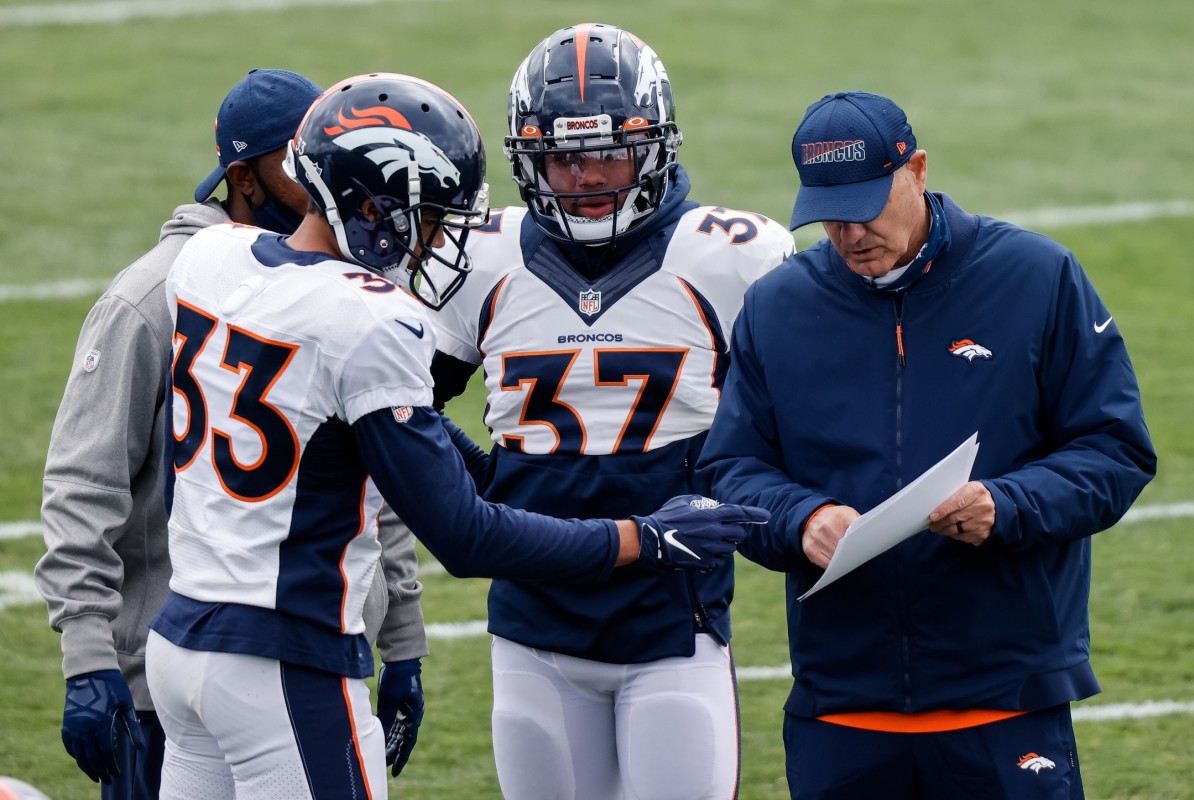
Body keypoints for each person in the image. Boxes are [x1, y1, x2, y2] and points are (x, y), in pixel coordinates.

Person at [143, 71, 767, 800]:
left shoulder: (210, 258)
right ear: (372, 207)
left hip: (181, 637)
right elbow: (465, 539)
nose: (438, 237)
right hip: (285, 657)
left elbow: (179, 474)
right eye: (431, 215)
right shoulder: (368, 316)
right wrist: (643, 538)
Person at [698, 90, 1157, 799]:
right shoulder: (778, 306)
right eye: (830, 215)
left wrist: (1007, 505)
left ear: (916, 169)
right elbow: (731, 467)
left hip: (1006, 696)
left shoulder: (1037, 278)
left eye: (867, 205)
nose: (850, 234)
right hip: (843, 703)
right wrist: (802, 519)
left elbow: (1114, 448)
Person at [423, 24, 796, 800]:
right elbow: (392, 408)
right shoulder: (483, 259)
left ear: (654, 148)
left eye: (609, 152)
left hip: (673, 621)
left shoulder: (732, 255)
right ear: (530, 160)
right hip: (533, 622)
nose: (587, 175)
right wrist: (481, 477)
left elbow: (809, 415)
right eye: (563, 156)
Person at [33, 68, 354, 799]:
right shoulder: (151, 297)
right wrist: (88, 661)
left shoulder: (334, 294)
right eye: (299, 163)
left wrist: (402, 644)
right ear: (243, 177)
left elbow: (367, 482)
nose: (323, 181)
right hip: (170, 689)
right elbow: (83, 487)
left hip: (308, 663)